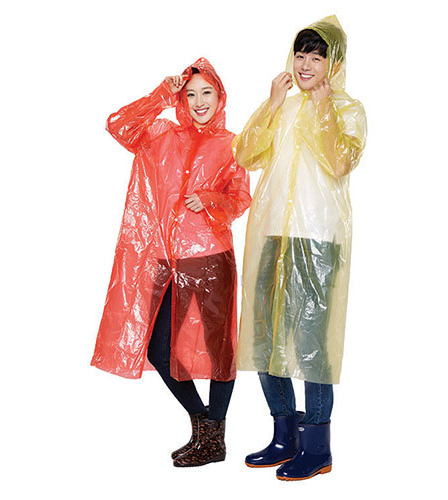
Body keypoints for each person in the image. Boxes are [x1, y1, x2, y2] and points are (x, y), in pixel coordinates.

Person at [91, 57, 251, 467]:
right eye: (190, 94)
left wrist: (211, 200)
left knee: (219, 350)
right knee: (160, 350)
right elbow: (118, 125)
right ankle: (204, 425)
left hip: (212, 259)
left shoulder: (232, 144)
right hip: (168, 261)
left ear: (220, 96)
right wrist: (161, 94)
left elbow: (239, 199)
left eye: (207, 92)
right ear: (181, 98)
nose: (199, 101)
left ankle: (213, 439)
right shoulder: (162, 134)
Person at [233, 16, 367, 481]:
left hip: (317, 240)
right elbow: (245, 154)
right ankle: (283, 435)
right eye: (300, 54)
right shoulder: (284, 107)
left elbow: (339, 161)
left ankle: (317, 447)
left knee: (312, 347)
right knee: (264, 339)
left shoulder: (348, 109)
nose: (305, 64)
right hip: (272, 235)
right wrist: (271, 105)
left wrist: (325, 106)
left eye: (316, 56)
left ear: (335, 64)